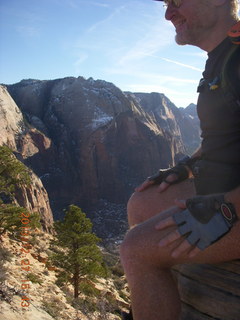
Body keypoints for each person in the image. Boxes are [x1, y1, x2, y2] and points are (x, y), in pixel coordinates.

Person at [120, 0, 240, 319]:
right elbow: (224, 137)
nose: (168, 14)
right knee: (142, 202)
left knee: (136, 250)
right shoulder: (223, 55)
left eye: (176, 1)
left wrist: (228, 209)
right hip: (220, 188)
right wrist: (186, 166)